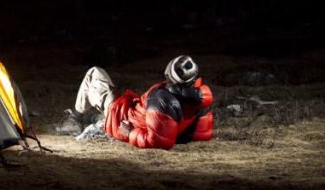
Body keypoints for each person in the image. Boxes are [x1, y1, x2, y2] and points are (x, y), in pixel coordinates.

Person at [57, 55, 213, 149]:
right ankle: (92, 118)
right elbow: (202, 133)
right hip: (132, 110)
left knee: (94, 73)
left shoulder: (161, 99)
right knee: (105, 83)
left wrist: (130, 132)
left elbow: (158, 141)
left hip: (119, 116)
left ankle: (75, 119)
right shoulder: (201, 95)